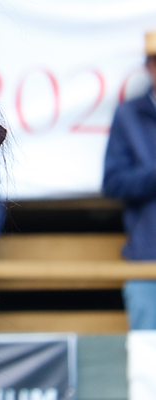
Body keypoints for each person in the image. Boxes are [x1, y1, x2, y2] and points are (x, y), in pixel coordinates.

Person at [103, 29, 156, 330]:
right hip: (147, 259)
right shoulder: (128, 115)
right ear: (148, 66)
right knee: (149, 359)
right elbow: (114, 183)